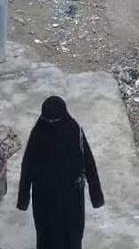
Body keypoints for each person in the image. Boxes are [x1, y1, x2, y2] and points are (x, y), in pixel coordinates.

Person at [17, 95, 104, 249]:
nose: (52, 125)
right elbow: (28, 167)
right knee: (54, 236)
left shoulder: (64, 131)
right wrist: (23, 200)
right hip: (56, 198)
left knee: (63, 236)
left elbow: (89, 163)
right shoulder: (57, 131)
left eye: (54, 121)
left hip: (60, 198)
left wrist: (96, 197)